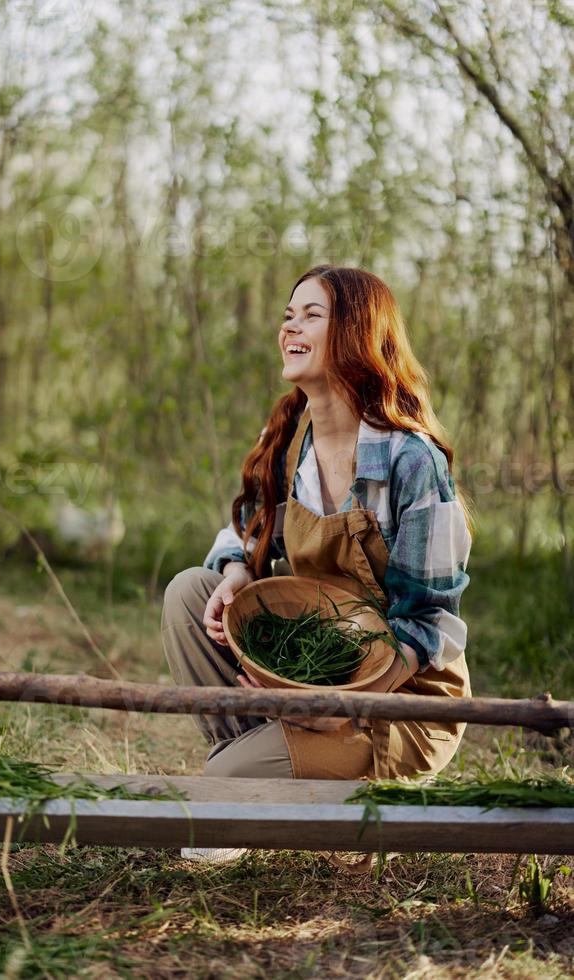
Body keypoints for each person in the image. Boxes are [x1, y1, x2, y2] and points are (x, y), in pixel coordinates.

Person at [161, 264, 474, 865]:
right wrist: (235, 573)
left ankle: (295, 781)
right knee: (188, 592)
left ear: (356, 333)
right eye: (287, 314)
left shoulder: (413, 463)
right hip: (310, 670)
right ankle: (266, 769)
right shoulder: (289, 439)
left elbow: (428, 627)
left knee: (215, 793)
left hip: (401, 701)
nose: (290, 327)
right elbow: (246, 527)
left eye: (311, 315)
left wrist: (338, 708)